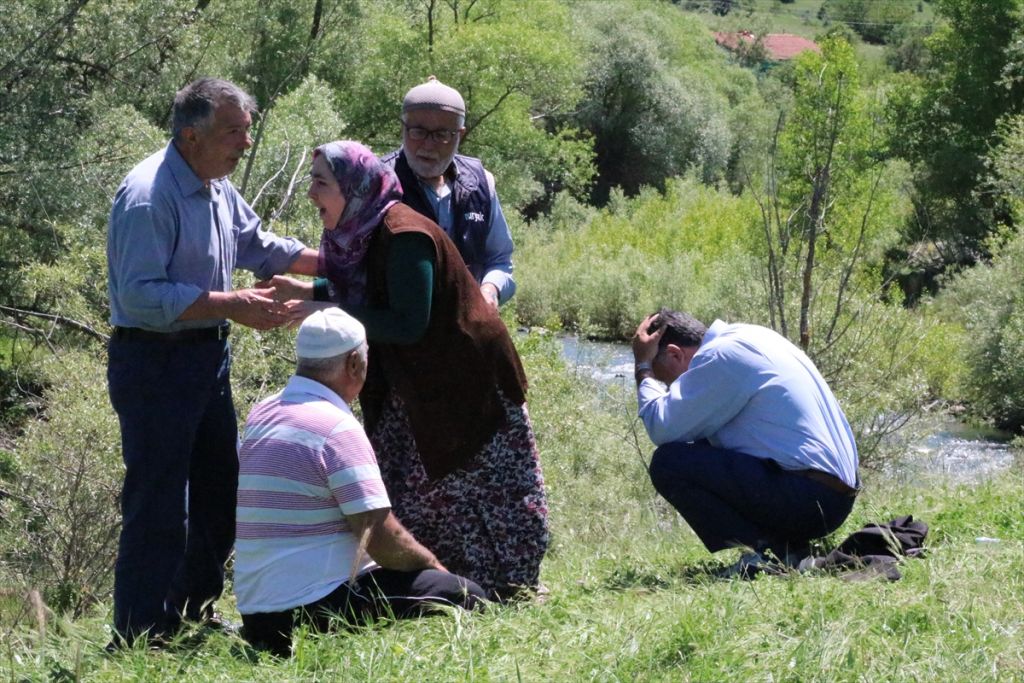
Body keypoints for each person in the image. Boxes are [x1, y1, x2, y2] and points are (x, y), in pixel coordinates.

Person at [266, 140, 548, 600]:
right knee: (412, 482)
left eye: (321, 183)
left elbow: (407, 322)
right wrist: (306, 289)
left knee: (484, 488)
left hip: (468, 379)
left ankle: (502, 588)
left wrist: (323, 306)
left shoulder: (404, 235)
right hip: (419, 379)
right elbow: (365, 285)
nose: (311, 193)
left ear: (354, 188)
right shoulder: (362, 230)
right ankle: (440, 585)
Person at [106, 77, 319, 645]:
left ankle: (189, 613)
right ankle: (138, 632)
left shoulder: (215, 184)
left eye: (247, 130)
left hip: (205, 357)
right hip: (153, 362)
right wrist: (232, 304)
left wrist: (339, 263)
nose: (245, 143)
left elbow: (257, 245)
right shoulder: (149, 195)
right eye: (234, 132)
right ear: (191, 135)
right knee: (158, 502)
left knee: (220, 492)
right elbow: (140, 297)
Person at [235, 307, 486, 657]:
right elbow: (379, 538)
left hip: (257, 617)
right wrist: (435, 569)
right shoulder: (336, 428)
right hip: (310, 613)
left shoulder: (262, 413)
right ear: (354, 363)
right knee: (466, 595)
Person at [631, 309, 859, 572]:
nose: (671, 388)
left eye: (665, 379)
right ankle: (787, 548)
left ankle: (763, 555)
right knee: (699, 439)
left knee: (669, 462)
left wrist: (643, 368)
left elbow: (662, 428)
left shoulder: (720, 357)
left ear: (674, 354)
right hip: (831, 497)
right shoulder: (753, 335)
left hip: (810, 500)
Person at [380, 76, 515, 308]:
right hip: (394, 327)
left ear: (459, 135)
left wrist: (490, 290)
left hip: (465, 325)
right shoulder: (376, 182)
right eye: (418, 132)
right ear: (403, 128)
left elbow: (500, 259)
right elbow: (348, 264)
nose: (428, 145)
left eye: (442, 134)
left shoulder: (482, 183)